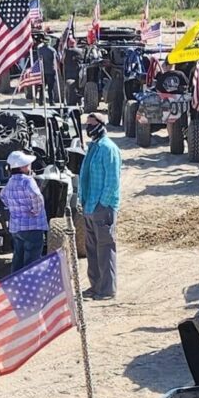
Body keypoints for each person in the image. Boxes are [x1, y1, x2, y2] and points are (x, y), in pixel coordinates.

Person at [78, 111, 121, 300]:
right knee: (92, 249)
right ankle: (95, 286)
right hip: (89, 205)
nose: (88, 127)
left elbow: (112, 181)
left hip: (102, 207)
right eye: (87, 124)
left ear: (100, 125)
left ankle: (107, 289)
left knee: (105, 248)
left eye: (91, 124)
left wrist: (102, 204)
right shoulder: (93, 147)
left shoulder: (108, 148)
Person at [1, 150, 49, 273]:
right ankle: (31, 289)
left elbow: (3, 196)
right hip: (32, 226)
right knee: (32, 261)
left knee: (18, 258)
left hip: (17, 227)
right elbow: (37, 196)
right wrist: (36, 211)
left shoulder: (10, 182)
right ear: (22, 167)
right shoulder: (27, 181)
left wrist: (13, 208)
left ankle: (17, 287)